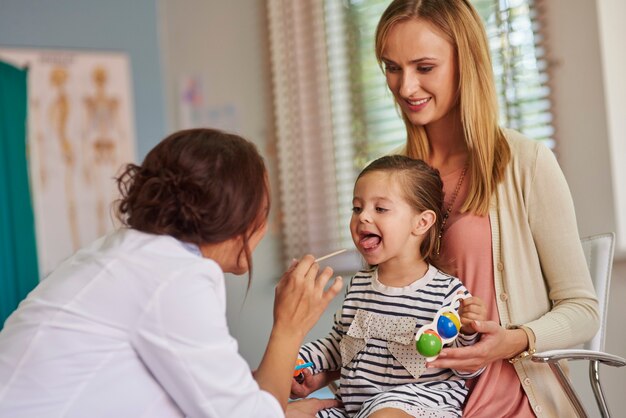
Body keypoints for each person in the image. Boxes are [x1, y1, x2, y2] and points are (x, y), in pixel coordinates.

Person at [294, 1, 600, 417]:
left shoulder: (525, 163)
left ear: (465, 64)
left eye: (424, 67)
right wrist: (323, 370)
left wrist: (512, 339)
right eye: (392, 67)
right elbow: (386, 317)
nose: (404, 88)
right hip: (401, 402)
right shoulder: (392, 181)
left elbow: (583, 310)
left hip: (504, 399)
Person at [0, 128, 342, 417]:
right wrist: (289, 326)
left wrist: (265, 399)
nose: (264, 227)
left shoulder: (128, 253)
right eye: (263, 210)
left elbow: (211, 396)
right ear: (236, 214)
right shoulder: (174, 279)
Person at [292, 155, 488, 417]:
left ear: (422, 223)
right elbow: (339, 345)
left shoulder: (448, 292)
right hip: (357, 408)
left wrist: (466, 331)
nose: (363, 218)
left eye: (380, 209)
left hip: (419, 405)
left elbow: (469, 368)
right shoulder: (359, 286)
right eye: (357, 208)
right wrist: (301, 360)